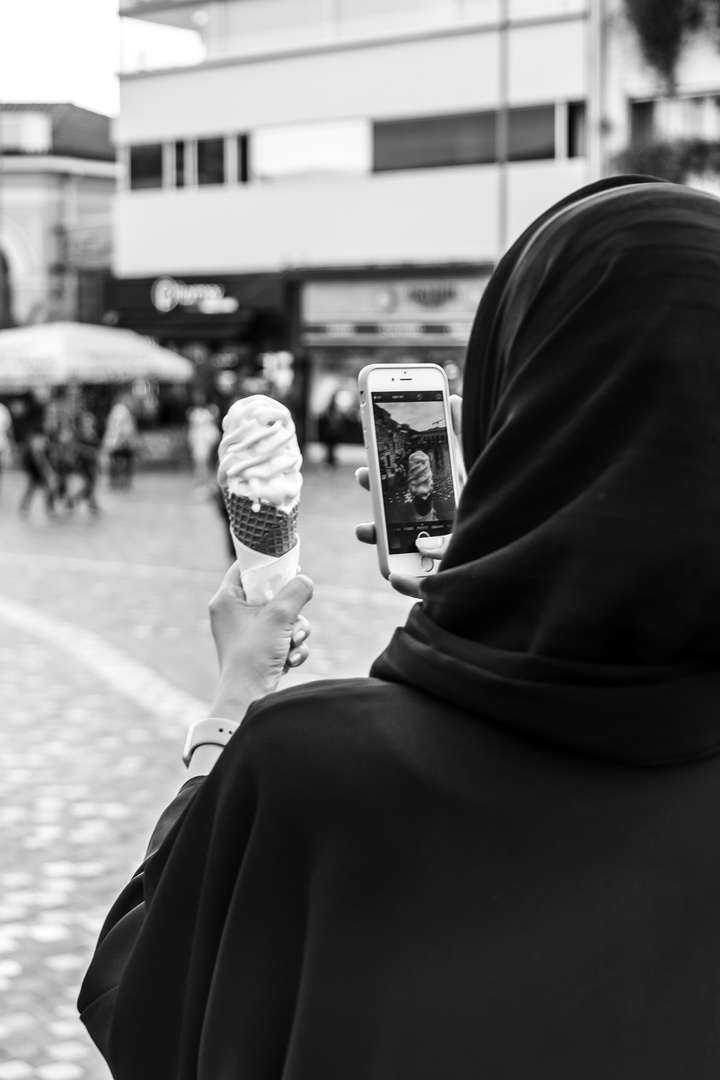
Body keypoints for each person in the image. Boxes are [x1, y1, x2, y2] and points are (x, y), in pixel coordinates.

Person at [79, 175, 720, 1078]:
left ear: (510, 405)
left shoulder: (308, 768)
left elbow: (151, 1005)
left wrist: (231, 713)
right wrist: (491, 600)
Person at [102, 394, 139, 490]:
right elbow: (124, 429)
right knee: (124, 462)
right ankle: (123, 482)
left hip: (114, 442)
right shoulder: (122, 411)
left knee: (116, 462)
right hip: (121, 443)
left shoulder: (115, 410)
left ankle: (116, 481)